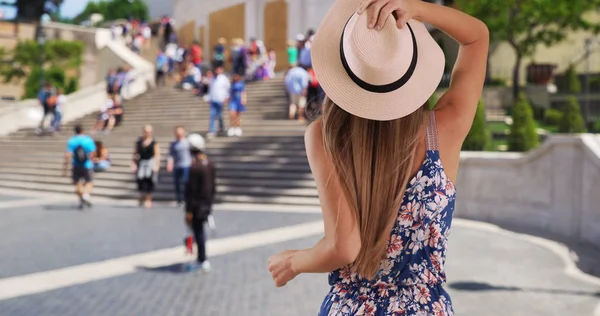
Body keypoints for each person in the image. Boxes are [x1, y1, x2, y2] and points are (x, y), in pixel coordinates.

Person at [267, 0, 488, 315]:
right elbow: (477, 36)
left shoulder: (324, 136)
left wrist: (294, 262)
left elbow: (343, 247)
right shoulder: (444, 130)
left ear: (344, 66)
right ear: (410, 65)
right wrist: (416, 8)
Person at [184, 133, 216, 272]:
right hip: (206, 203)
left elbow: (191, 190)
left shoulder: (195, 166)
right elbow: (213, 185)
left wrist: (188, 210)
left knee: (198, 232)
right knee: (200, 231)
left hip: (196, 205)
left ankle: (201, 259)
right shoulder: (209, 162)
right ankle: (201, 258)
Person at [63, 125, 96, 210]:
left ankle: (81, 199)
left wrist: (65, 167)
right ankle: (85, 195)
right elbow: (93, 153)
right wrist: (94, 161)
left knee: (78, 182)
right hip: (87, 164)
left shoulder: (72, 141)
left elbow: (68, 155)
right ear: (82, 130)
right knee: (89, 182)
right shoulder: (88, 139)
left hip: (76, 164)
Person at [132, 125, 161, 209]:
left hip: (150, 162)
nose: (147, 133)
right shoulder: (139, 142)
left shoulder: (154, 142)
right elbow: (135, 153)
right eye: (145, 131)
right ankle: (141, 196)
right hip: (141, 162)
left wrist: (156, 164)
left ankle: (148, 199)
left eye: (148, 132)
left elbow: (157, 154)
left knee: (149, 181)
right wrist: (133, 163)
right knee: (140, 180)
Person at [167, 126, 192, 205]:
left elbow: (192, 153)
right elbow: (171, 154)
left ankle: (187, 198)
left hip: (186, 164)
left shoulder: (187, 142)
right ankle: (179, 199)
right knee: (177, 182)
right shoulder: (173, 143)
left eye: (180, 132)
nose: (179, 134)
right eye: (177, 132)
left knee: (186, 182)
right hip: (177, 165)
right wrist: (170, 163)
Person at [207, 66, 230, 139]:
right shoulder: (212, 79)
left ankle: (221, 128)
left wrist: (226, 97)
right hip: (213, 100)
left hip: (220, 100)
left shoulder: (223, 78)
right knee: (212, 115)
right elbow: (210, 89)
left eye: (217, 70)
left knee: (220, 116)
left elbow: (228, 88)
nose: (216, 71)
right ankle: (212, 130)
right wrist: (210, 98)